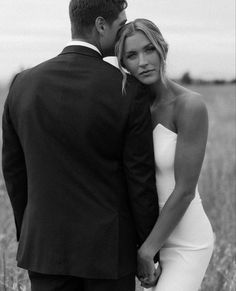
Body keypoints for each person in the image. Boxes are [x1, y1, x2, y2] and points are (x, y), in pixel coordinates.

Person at [1, 3, 160, 290]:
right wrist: (149, 251)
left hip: (44, 249)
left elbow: (14, 170)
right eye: (120, 24)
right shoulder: (128, 90)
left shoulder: (22, 84)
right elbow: (140, 180)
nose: (125, 30)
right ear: (101, 25)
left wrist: (29, 232)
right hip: (109, 254)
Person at [115, 18, 215, 290]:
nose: (143, 61)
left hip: (186, 240)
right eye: (132, 55)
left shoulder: (189, 105)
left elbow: (184, 191)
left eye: (149, 50)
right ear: (123, 64)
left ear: (163, 50)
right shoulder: (130, 110)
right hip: (147, 240)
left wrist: (147, 251)